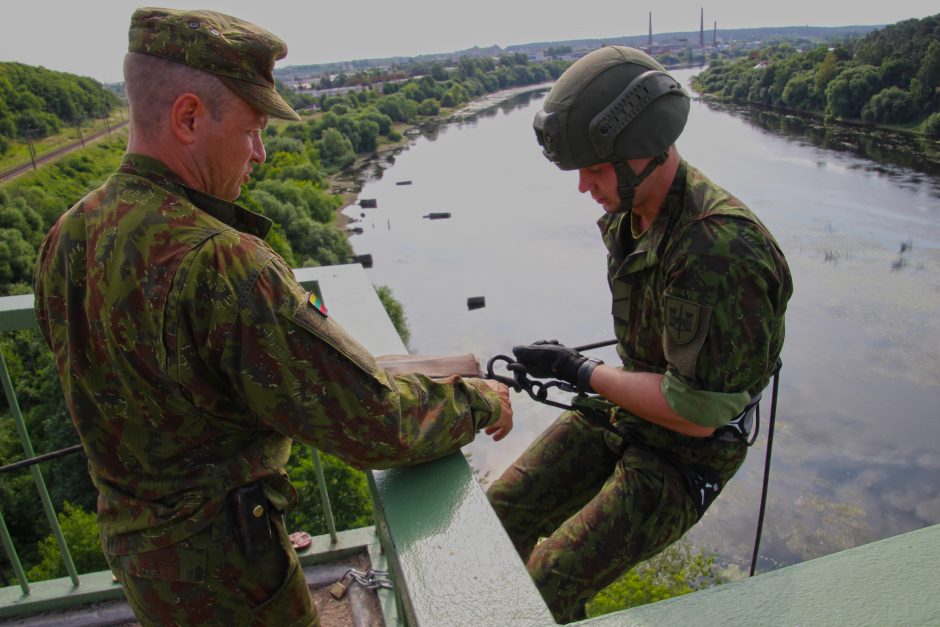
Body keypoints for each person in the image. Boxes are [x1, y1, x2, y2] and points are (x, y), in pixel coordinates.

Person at [33, 8, 512, 626]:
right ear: (187, 118)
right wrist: (478, 401)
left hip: (141, 560)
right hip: (235, 581)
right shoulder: (224, 264)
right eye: (253, 129)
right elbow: (371, 422)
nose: (259, 153)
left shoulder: (70, 234)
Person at [486, 45, 792, 623]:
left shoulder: (718, 249)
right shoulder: (632, 216)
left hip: (684, 453)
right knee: (496, 520)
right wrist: (576, 372)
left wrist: (577, 370)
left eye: (595, 169)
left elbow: (698, 411)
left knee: (546, 580)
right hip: (625, 410)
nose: (583, 187)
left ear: (646, 152)